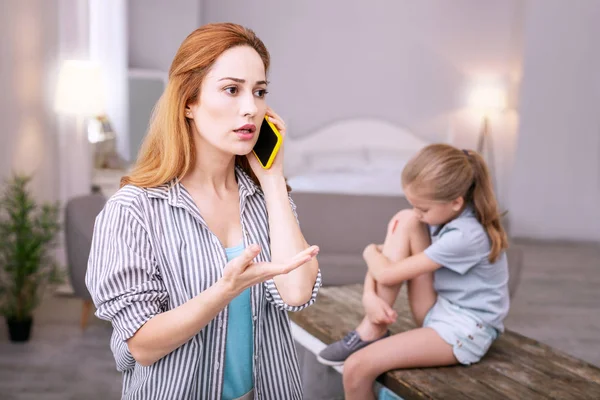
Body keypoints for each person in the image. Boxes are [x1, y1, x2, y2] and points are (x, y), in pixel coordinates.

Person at [85, 23, 321, 400]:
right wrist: (224, 291)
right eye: (232, 89)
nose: (250, 108)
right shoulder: (133, 210)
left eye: (259, 92)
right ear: (189, 102)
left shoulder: (266, 199)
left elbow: (295, 292)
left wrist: (273, 178)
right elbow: (142, 345)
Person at [317, 144, 509, 400]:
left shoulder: (467, 236)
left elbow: (385, 272)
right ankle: (371, 327)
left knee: (355, 368)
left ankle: (371, 331)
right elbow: (384, 263)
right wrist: (369, 297)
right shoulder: (441, 215)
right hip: (438, 309)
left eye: (424, 209)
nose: (420, 214)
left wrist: (366, 250)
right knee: (404, 219)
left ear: (456, 202)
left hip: (465, 330)